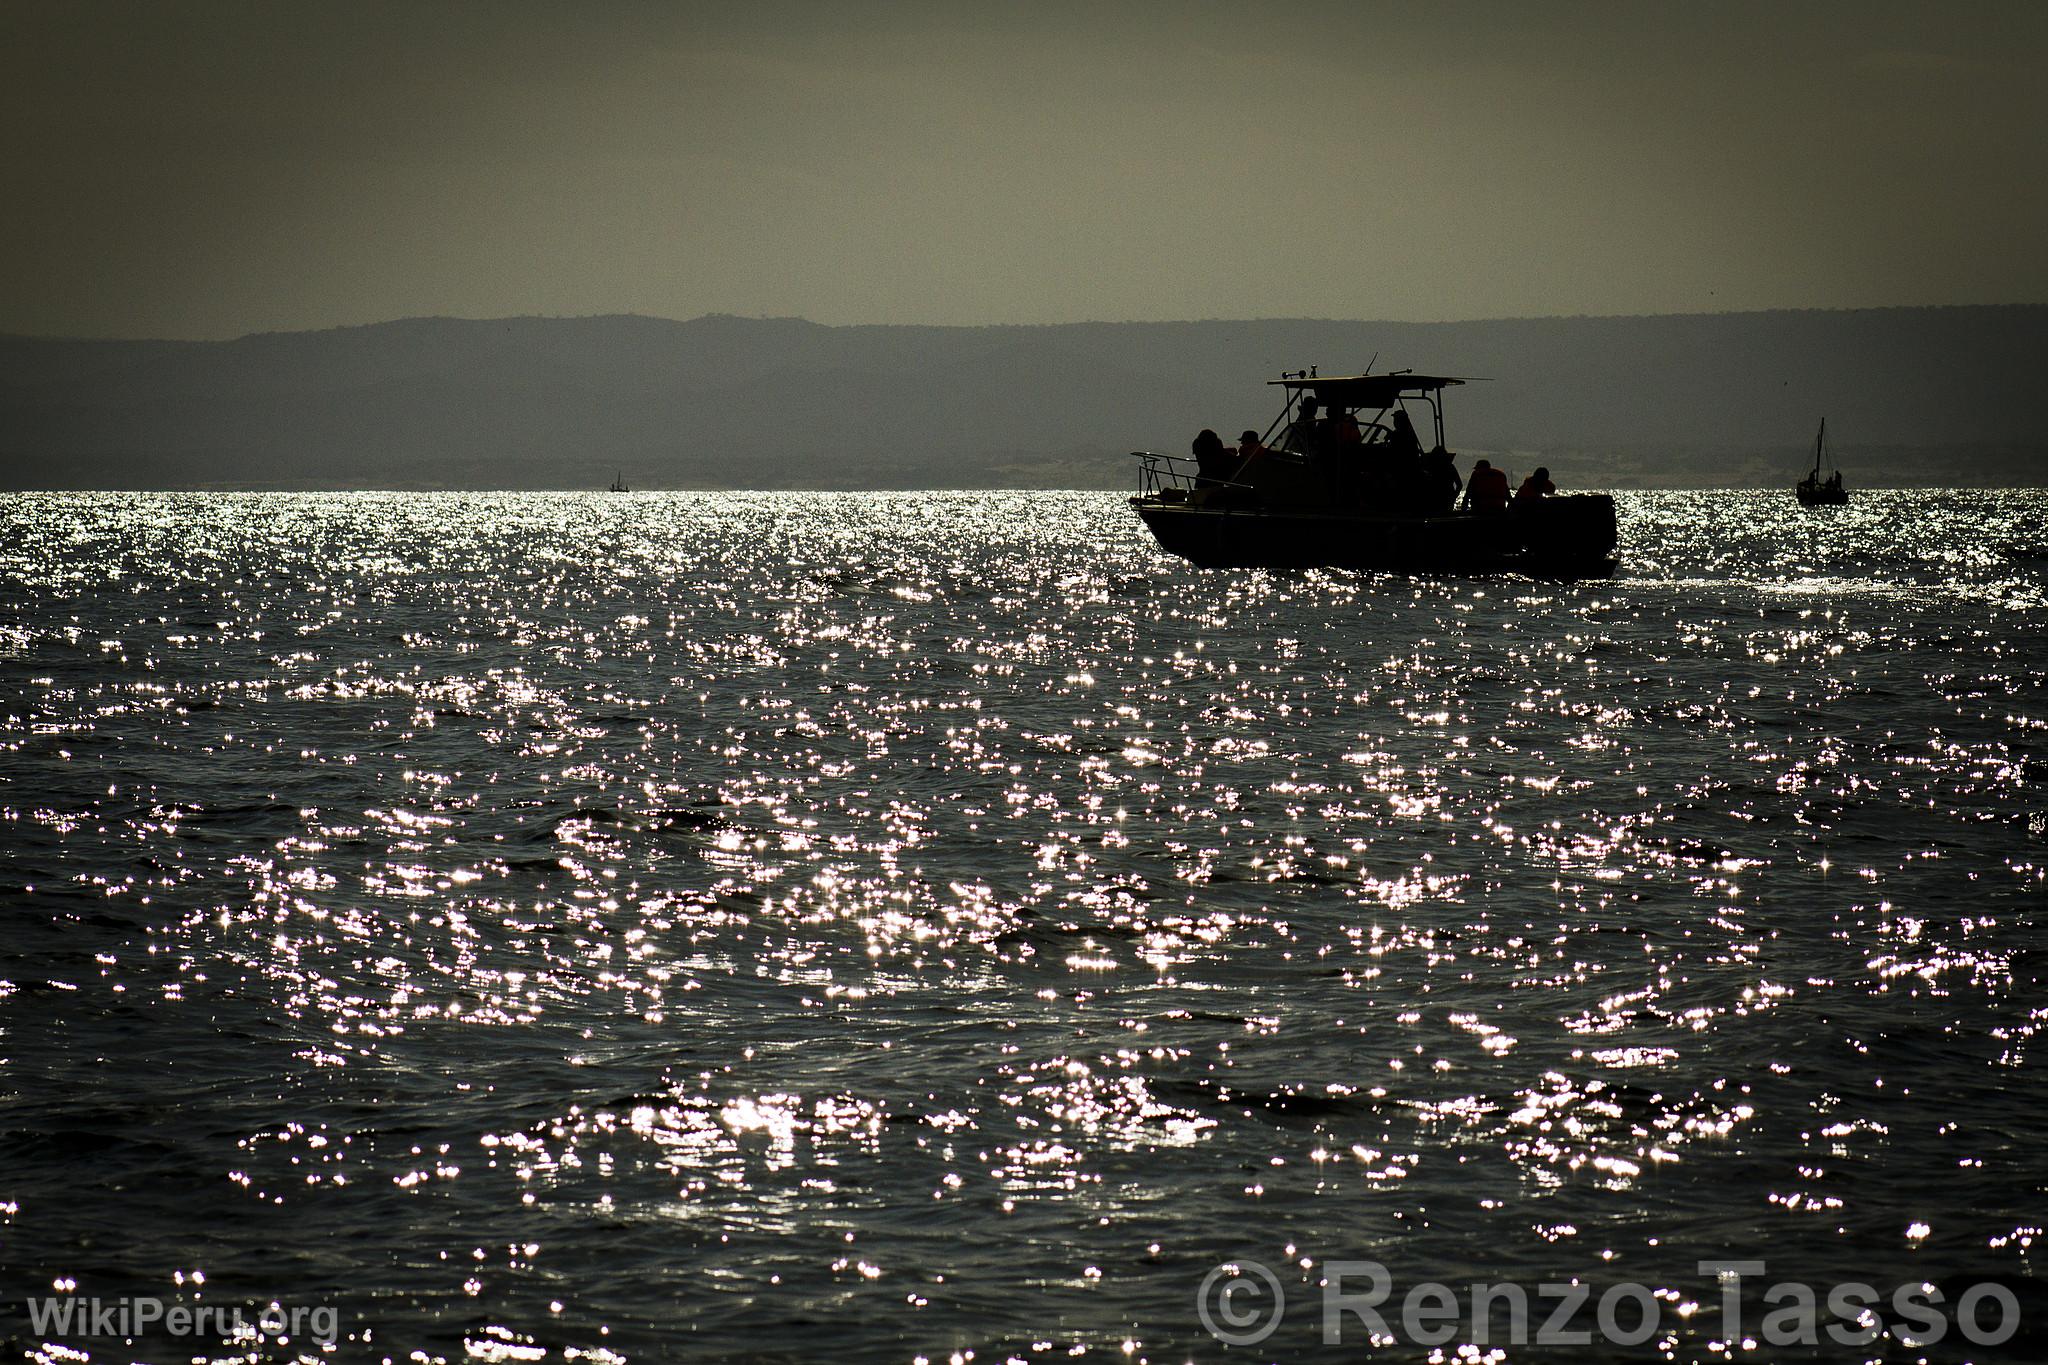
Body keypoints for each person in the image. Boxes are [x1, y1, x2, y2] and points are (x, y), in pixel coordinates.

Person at [1420, 445, 1463, 513]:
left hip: (1433, 499)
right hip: (1447, 498)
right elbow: (1459, 485)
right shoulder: (1450, 467)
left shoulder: (1429, 467)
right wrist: (1453, 497)